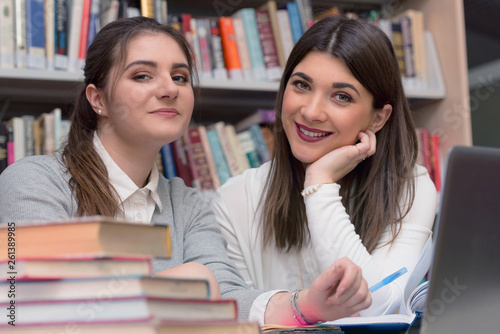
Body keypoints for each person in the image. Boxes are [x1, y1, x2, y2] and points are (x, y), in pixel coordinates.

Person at [0, 16, 370, 325]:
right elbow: (26, 313)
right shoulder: (34, 182)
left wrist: (307, 305)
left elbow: (225, 298)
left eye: (180, 77)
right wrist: (183, 286)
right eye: (142, 76)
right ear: (98, 99)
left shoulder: (187, 204)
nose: (169, 89)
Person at [211, 15, 438, 321]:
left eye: (341, 96)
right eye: (301, 85)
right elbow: (238, 316)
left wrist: (319, 183)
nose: (311, 111)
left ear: (378, 119)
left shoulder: (411, 188)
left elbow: (376, 305)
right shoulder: (236, 198)